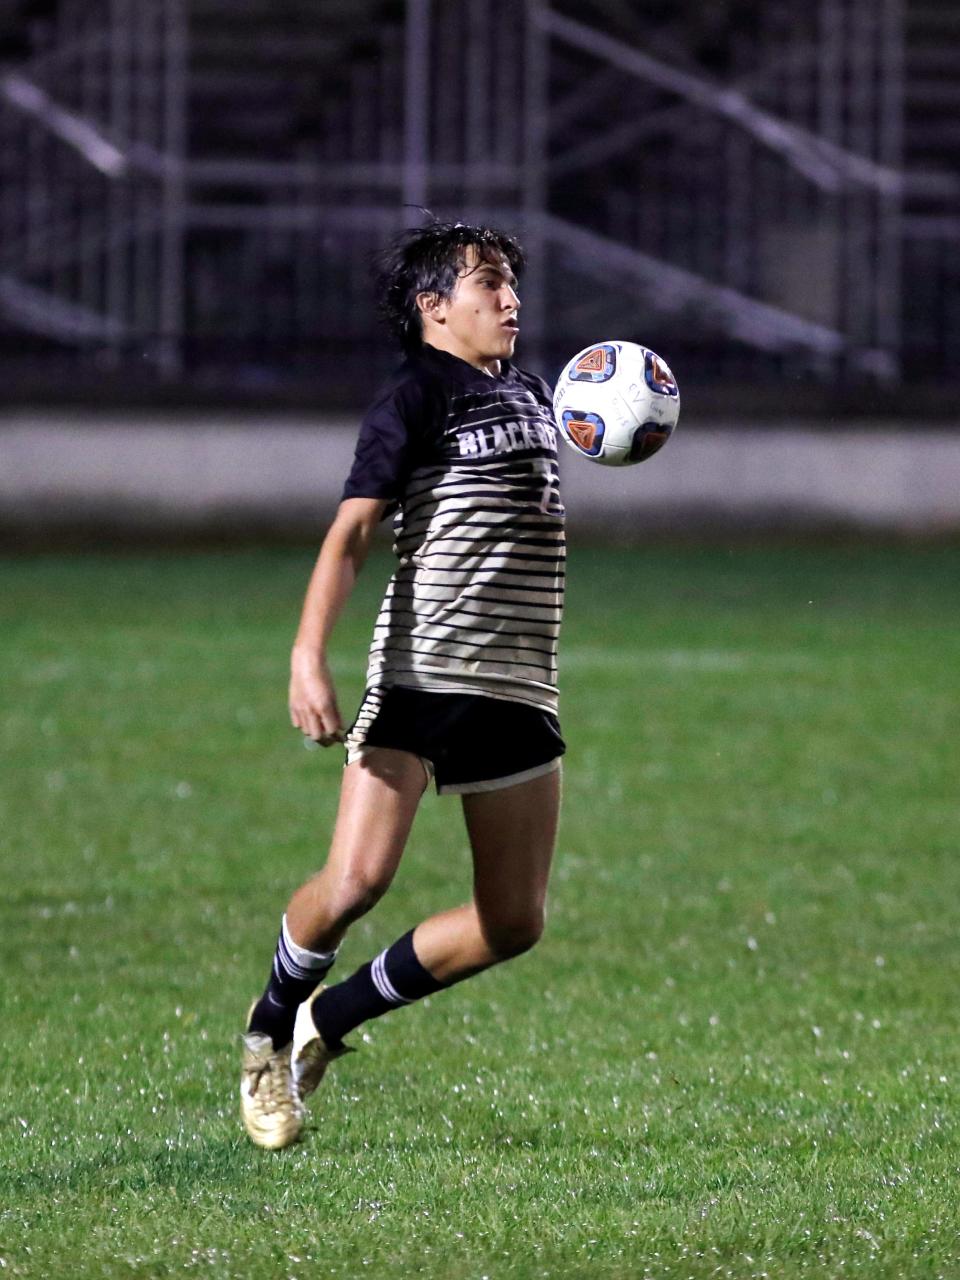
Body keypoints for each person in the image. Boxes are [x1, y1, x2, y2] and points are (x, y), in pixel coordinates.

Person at [240, 220, 566, 1150]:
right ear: (434, 306)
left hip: (520, 683)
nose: (510, 300)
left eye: (511, 284)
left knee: (512, 922)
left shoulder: (535, 391)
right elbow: (348, 537)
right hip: (424, 675)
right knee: (354, 883)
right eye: (490, 284)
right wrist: (309, 654)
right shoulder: (414, 395)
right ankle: (267, 1033)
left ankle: (325, 1023)